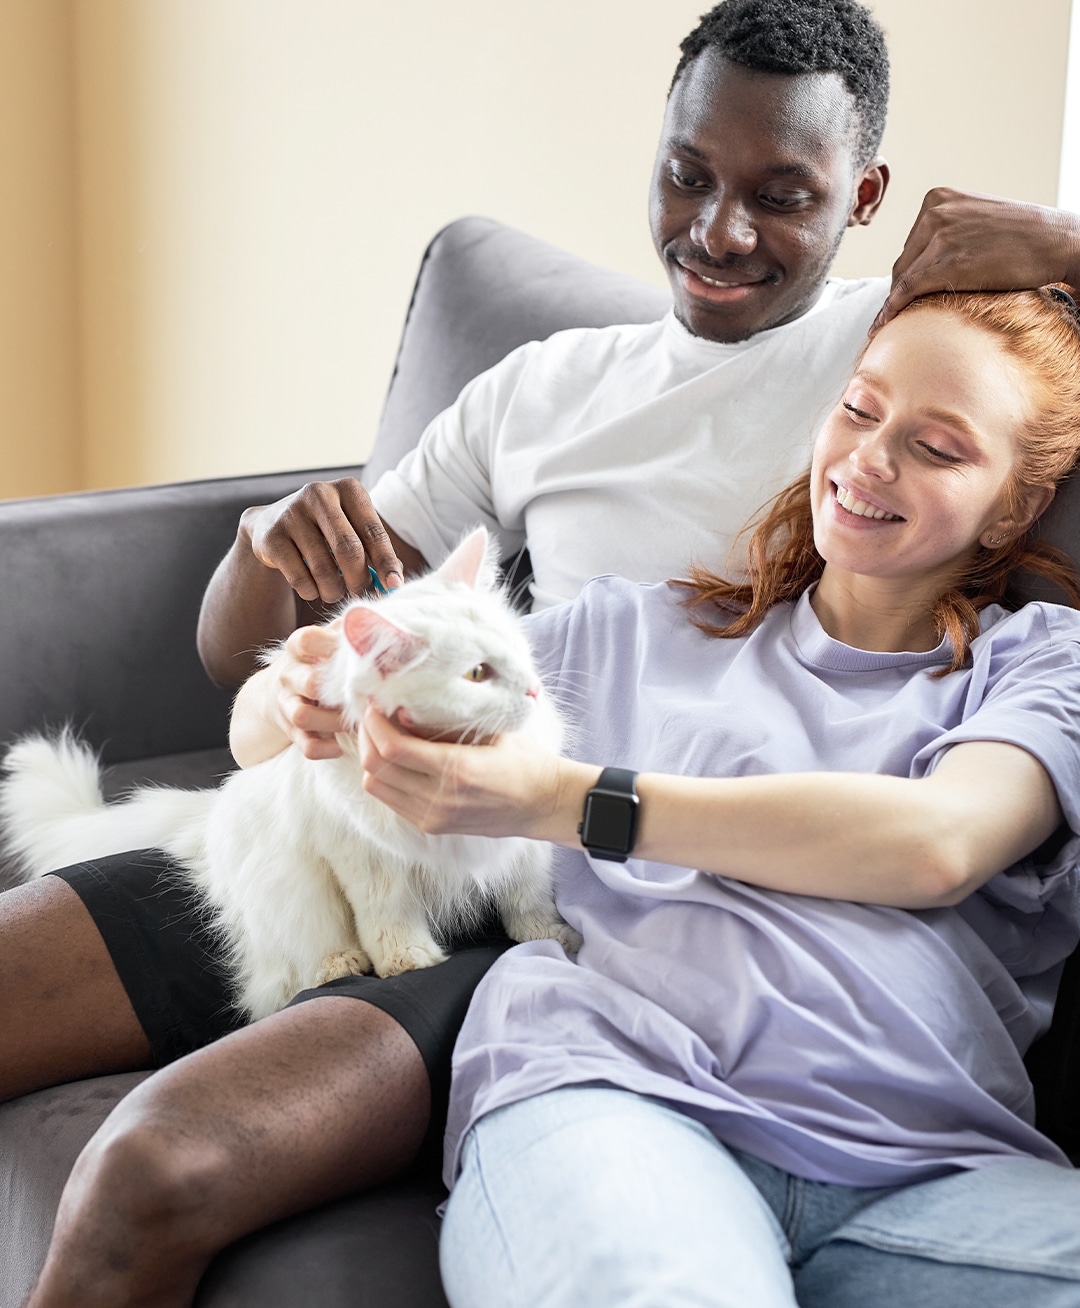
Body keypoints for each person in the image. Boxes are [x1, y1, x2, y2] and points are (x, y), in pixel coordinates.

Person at [3, 2, 1080, 1304]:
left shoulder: (904, 347)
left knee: (158, 1169)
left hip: (555, 890)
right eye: (689, 175)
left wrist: (1036, 236)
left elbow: (935, 831)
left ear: (865, 197)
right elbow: (261, 661)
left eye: (782, 195)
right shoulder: (546, 396)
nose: (720, 231)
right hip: (432, 803)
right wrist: (269, 568)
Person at [357, 284, 1080, 1306]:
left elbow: (936, 845)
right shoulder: (635, 635)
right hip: (623, 1098)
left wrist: (563, 798)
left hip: (934, 1169)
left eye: (940, 447)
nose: (871, 459)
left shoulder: (1045, 667)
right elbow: (280, 721)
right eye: (861, 410)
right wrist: (310, 691)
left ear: (1015, 503)